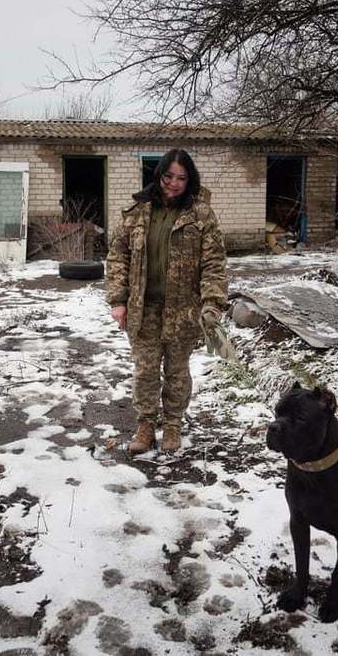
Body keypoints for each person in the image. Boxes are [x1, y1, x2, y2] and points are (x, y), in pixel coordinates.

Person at [105, 149, 228, 453]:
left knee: (176, 371)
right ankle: (146, 426)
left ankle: (172, 426)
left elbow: (214, 262)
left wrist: (212, 303)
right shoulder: (137, 211)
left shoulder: (201, 215)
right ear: (159, 174)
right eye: (169, 176)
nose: (174, 183)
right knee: (145, 371)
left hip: (183, 310)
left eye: (181, 178)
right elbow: (117, 257)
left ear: (190, 180)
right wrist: (118, 300)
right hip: (142, 309)